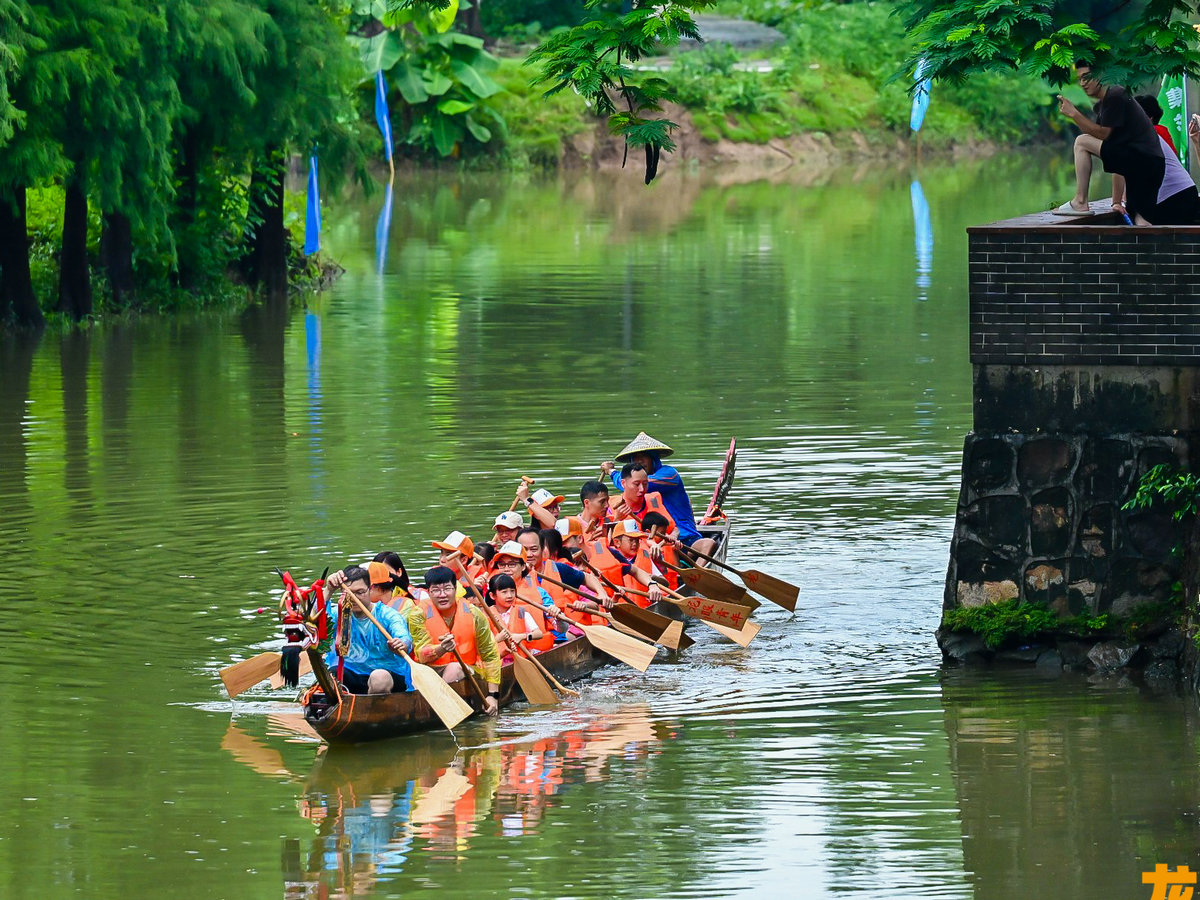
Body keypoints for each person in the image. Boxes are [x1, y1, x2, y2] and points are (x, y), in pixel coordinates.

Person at [1055, 62, 1198, 225]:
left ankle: (1080, 201)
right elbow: (1118, 160)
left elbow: (1104, 136)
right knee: (1141, 219)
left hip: (1172, 193)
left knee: (1081, 142)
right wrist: (1116, 202)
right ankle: (1149, 250)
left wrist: (1074, 114)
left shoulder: (1115, 95)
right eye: (1080, 79)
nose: (1083, 83)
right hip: (1151, 170)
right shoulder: (1128, 124)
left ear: (1101, 75)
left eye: (1086, 78)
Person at [602, 432, 718, 557]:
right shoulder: (630, 489)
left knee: (708, 544)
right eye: (635, 458)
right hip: (654, 540)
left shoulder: (669, 474)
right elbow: (626, 483)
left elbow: (634, 483)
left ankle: (697, 575)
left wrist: (612, 472)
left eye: (644, 456)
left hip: (684, 537)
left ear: (653, 458)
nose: (639, 461)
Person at [407, 566, 501, 715]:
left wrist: (493, 696)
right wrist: (441, 649)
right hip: (430, 670)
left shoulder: (474, 613)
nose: (442, 595)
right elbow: (421, 655)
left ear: (455, 589)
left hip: (467, 670)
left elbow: (490, 654)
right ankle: (435, 710)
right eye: (436, 590)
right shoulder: (417, 614)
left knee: (454, 668)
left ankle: (439, 712)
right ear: (428, 592)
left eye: (447, 589)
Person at [322, 563, 414, 694]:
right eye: (349, 593)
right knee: (331, 675)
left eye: (360, 592)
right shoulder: (339, 614)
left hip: (388, 678)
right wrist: (329, 590)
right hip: (352, 674)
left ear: (370, 589)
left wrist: (401, 644)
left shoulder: (387, 615)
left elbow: (404, 638)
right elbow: (316, 624)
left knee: (379, 678)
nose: (354, 598)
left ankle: (373, 710)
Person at [490, 540, 562, 649]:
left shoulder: (539, 593)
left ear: (523, 566)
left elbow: (561, 629)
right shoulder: (491, 592)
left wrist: (559, 617)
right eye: (502, 564)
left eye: (512, 564)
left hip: (534, 650)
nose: (506, 569)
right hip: (502, 653)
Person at [485, 572, 544, 661]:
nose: (509, 596)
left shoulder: (521, 611)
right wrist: (496, 640)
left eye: (512, 591)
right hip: (498, 662)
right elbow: (483, 647)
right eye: (504, 592)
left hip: (522, 657)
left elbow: (539, 634)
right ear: (492, 595)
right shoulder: (486, 616)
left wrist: (522, 636)